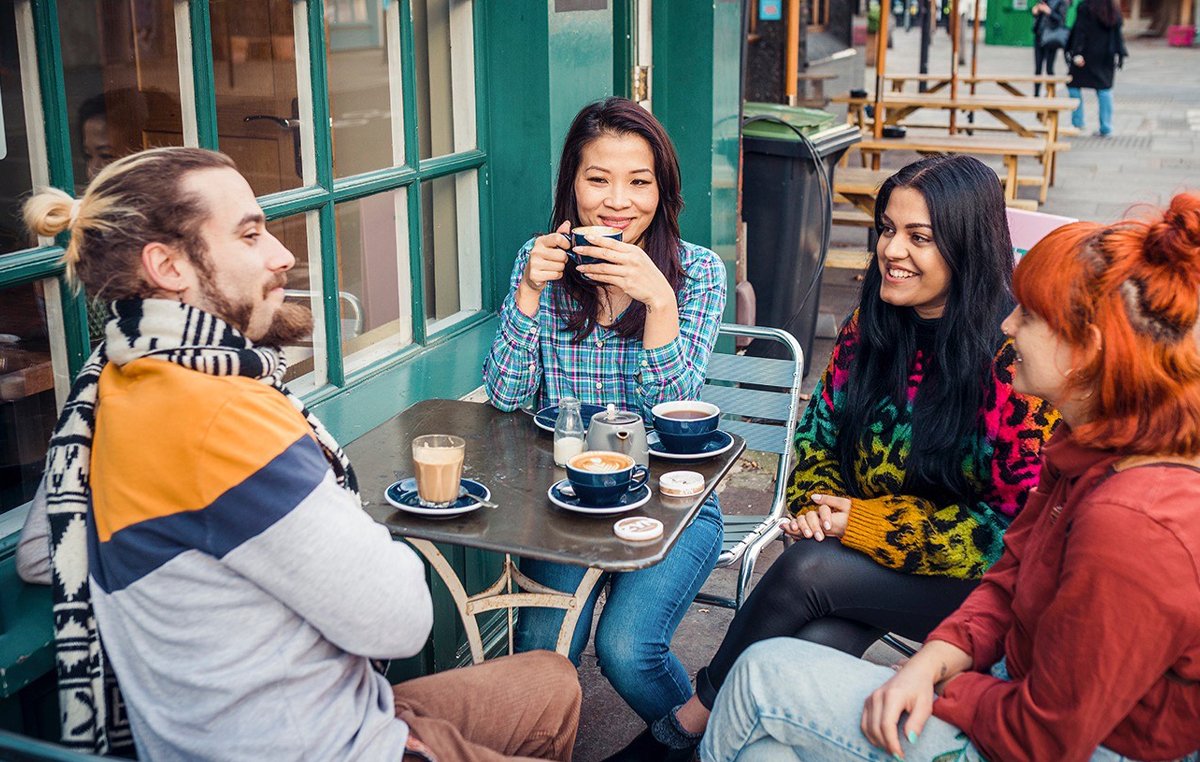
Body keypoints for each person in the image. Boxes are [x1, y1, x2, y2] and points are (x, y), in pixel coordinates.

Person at [16, 147, 581, 761]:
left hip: (334, 709)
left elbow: (43, 554)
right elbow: (402, 619)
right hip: (329, 747)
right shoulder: (225, 417)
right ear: (169, 265)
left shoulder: (111, 386)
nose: (283, 255)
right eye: (251, 235)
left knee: (551, 682)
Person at [701, 194, 1200, 762]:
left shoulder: (1133, 519)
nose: (1012, 323)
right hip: (997, 659)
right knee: (770, 738)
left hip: (1053, 729)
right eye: (887, 229)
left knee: (764, 673)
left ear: (1090, 350)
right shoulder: (1083, 445)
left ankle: (683, 728)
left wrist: (939, 680)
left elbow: (1046, 733)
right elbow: (1014, 575)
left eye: (1031, 315)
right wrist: (933, 658)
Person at [609, 154, 1060, 761]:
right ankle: (723, 744)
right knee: (806, 641)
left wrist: (866, 525)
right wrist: (817, 510)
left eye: (919, 238)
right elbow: (816, 441)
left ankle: (683, 728)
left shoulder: (1014, 362)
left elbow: (1010, 534)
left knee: (808, 572)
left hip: (973, 593)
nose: (892, 251)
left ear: (967, 245)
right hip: (858, 561)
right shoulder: (870, 327)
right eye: (887, 230)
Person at [482, 97, 726, 734]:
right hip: (568, 499)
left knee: (627, 650)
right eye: (598, 179)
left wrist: (658, 300)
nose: (618, 201)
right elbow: (506, 397)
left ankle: (703, 744)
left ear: (662, 189)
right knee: (545, 652)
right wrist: (529, 293)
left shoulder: (699, 273)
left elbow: (672, 420)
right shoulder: (541, 263)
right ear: (573, 186)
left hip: (673, 500)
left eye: (638, 181)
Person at [1067, 0, 1128, 137]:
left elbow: (1080, 31)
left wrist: (1076, 52)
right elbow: (1117, 32)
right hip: (1106, 56)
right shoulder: (1112, 8)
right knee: (1104, 89)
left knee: (1073, 86)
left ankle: (1078, 122)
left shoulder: (1085, 7)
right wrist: (1118, 53)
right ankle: (1106, 127)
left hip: (1086, 55)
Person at [1031, 0, 1068, 96]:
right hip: (1039, 37)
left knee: (1049, 69)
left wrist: (1049, 11)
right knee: (1038, 69)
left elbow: (1061, 20)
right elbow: (1039, 20)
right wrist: (1035, 12)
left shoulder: (1060, 2)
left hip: (1051, 39)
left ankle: (1051, 93)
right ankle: (1036, 94)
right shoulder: (1042, 1)